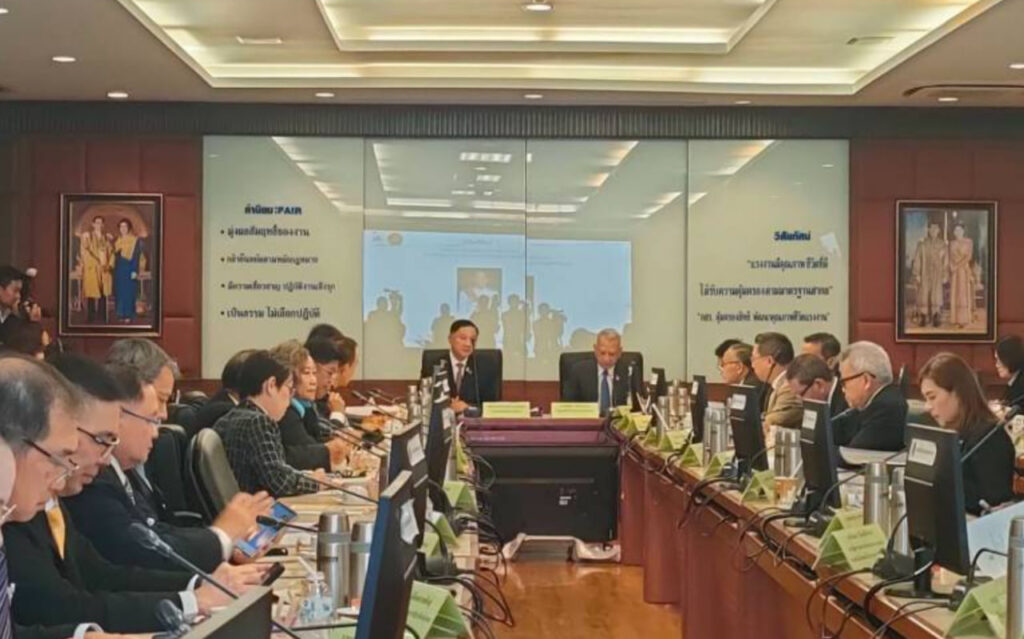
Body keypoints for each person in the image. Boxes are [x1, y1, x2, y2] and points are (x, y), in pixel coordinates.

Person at [1, 356, 252, 636]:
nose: (105, 459)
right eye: (60, 456)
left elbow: (97, 573)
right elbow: (53, 606)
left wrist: (197, 589)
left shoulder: (35, 502)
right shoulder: (21, 514)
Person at [61, 357, 269, 573]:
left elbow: (156, 532)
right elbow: (136, 554)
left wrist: (227, 545)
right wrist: (221, 536)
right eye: (152, 420)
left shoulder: (125, 472)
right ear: (119, 416)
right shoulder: (92, 478)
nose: (157, 431)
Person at [213, 351, 323, 497]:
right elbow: (279, 481)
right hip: (256, 507)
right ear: (271, 385)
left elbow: (278, 469)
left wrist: (305, 476)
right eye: (289, 388)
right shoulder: (258, 422)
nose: (290, 399)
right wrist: (317, 483)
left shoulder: (228, 418)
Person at [919, 352, 1014, 515]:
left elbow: (992, 504)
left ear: (958, 393)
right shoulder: (952, 435)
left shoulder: (990, 437)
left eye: (932, 397)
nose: (927, 407)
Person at [270, 341, 350, 472]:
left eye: (314, 373)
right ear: (288, 377)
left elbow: (317, 442)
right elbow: (308, 451)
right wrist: (332, 449)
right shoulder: (285, 413)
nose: (313, 381)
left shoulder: (306, 408)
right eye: (306, 373)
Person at [832, 341, 907, 451]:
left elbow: (854, 454)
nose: (843, 389)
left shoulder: (887, 408)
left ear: (866, 380)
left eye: (844, 382)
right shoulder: (868, 403)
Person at [420, 319, 500, 414]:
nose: (468, 344)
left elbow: (492, 406)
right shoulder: (433, 365)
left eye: (473, 340)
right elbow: (422, 400)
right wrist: (448, 407)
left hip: (473, 421)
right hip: (441, 421)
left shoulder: (486, 367)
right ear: (450, 339)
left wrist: (468, 407)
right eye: (463, 338)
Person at [561, 329, 638, 415]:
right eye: (602, 353)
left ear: (619, 352)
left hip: (617, 422)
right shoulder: (578, 371)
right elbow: (567, 407)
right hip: (588, 422)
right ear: (595, 349)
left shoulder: (629, 372)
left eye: (612, 354)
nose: (606, 359)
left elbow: (638, 409)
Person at [752, 332, 802, 431]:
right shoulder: (778, 384)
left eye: (754, 359)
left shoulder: (790, 388)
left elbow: (772, 423)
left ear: (769, 361)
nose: (752, 365)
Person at [911, 220, 948, 328]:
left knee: (936, 294)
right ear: (928, 230)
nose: (933, 231)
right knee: (923, 294)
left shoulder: (942, 245)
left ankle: (936, 316)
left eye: (935, 229)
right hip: (924, 273)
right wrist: (917, 273)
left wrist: (945, 274)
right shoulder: (922, 244)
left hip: (937, 274)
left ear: (939, 230)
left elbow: (945, 261)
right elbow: (917, 259)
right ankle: (923, 316)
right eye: (931, 228)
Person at [802, 332, 848, 417]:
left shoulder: (847, 397)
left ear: (830, 362)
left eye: (810, 360)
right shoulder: (803, 391)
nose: (803, 365)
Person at [79, 217, 113, 324]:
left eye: (101, 223)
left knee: (103, 293)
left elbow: (112, 252)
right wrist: (96, 263)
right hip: (93, 269)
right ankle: (90, 317)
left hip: (104, 269)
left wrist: (109, 265)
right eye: (97, 223)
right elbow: (85, 251)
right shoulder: (87, 236)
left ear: (103, 225)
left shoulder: (106, 238)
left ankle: (102, 316)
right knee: (91, 293)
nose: (99, 225)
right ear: (93, 224)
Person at [0, 266, 41, 347]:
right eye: (15, 291)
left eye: (19, 292)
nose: (18, 296)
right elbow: (19, 345)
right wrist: (33, 323)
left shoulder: (8, 313)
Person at [112, 219, 143, 323]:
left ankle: (129, 315)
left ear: (128, 227)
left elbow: (136, 256)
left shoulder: (134, 240)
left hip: (130, 268)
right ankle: (120, 314)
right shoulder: (117, 240)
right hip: (119, 269)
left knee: (129, 292)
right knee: (120, 292)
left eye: (125, 226)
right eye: (121, 226)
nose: (123, 228)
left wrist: (134, 271)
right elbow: (114, 255)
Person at [948, 222, 975, 328]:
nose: (958, 232)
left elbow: (968, 257)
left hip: (964, 270)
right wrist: (952, 266)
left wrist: (957, 265)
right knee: (955, 293)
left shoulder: (968, 242)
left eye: (960, 230)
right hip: (955, 272)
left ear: (963, 231)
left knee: (963, 294)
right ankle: (955, 319)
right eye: (956, 230)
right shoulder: (952, 243)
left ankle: (963, 319)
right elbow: (950, 257)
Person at [995, 335, 1024, 411]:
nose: (996, 365)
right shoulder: (1016, 379)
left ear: (1010, 358)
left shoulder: (1021, 384)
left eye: (999, 360)